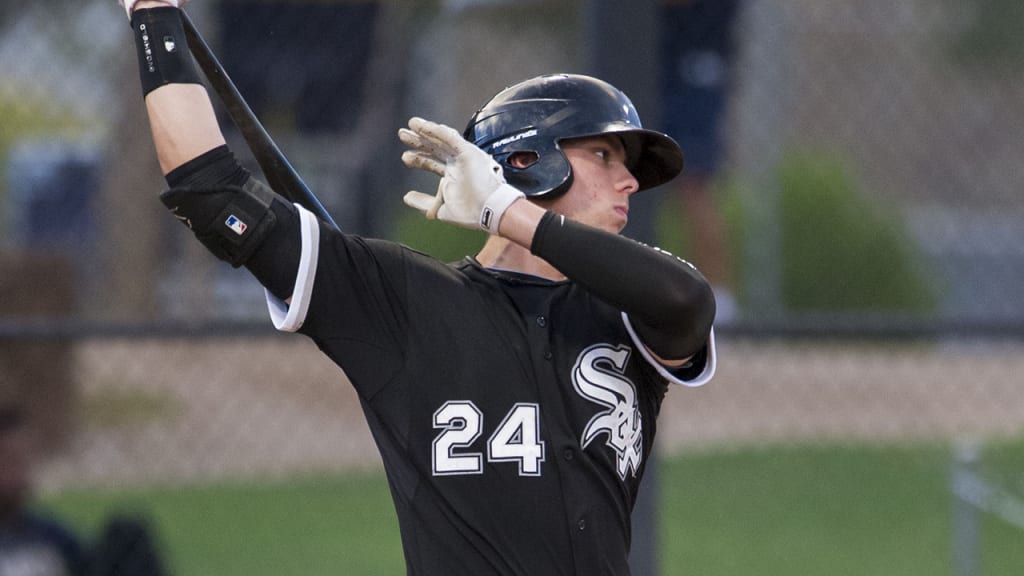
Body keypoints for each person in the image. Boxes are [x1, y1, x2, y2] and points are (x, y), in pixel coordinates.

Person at [118, 1, 718, 574]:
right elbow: (210, 192)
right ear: (528, 158)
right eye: (606, 155)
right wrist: (153, 16)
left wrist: (505, 211)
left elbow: (688, 303)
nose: (630, 182)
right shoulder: (402, 298)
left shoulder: (627, 308)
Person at [659, 0, 742, 322]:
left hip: (694, 68)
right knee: (617, 180)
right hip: (654, 57)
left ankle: (719, 306)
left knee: (694, 185)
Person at [0, 399, 87, 576]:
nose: (15, 474)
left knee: (128, 531)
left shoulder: (51, 536)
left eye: (18, 463)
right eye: (6, 462)